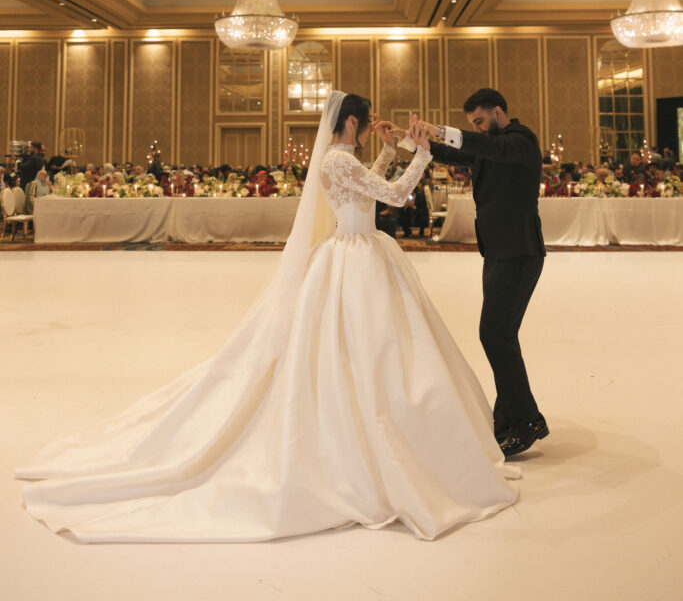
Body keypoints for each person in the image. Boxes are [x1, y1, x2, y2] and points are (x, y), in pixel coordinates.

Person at [16, 90, 519, 543]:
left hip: (361, 249)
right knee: (371, 349)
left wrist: (389, 151)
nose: (371, 130)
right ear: (351, 122)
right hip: (358, 253)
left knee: (374, 348)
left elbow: (368, 190)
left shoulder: (342, 160)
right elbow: (392, 196)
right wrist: (422, 153)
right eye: (368, 124)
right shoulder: (338, 161)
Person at [403, 87, 547, 459]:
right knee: (500, 336)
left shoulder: (521, 140)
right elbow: (458, 153)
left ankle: (528, 420)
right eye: (472, 124)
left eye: (480, 121)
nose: (478, 128)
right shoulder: (490, 146)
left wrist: (439, 130)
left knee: (494, 335)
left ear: (498, 112)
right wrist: (414, 141)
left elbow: (489, 147)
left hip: (519, 252)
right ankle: (509, 418)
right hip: (498, 252)